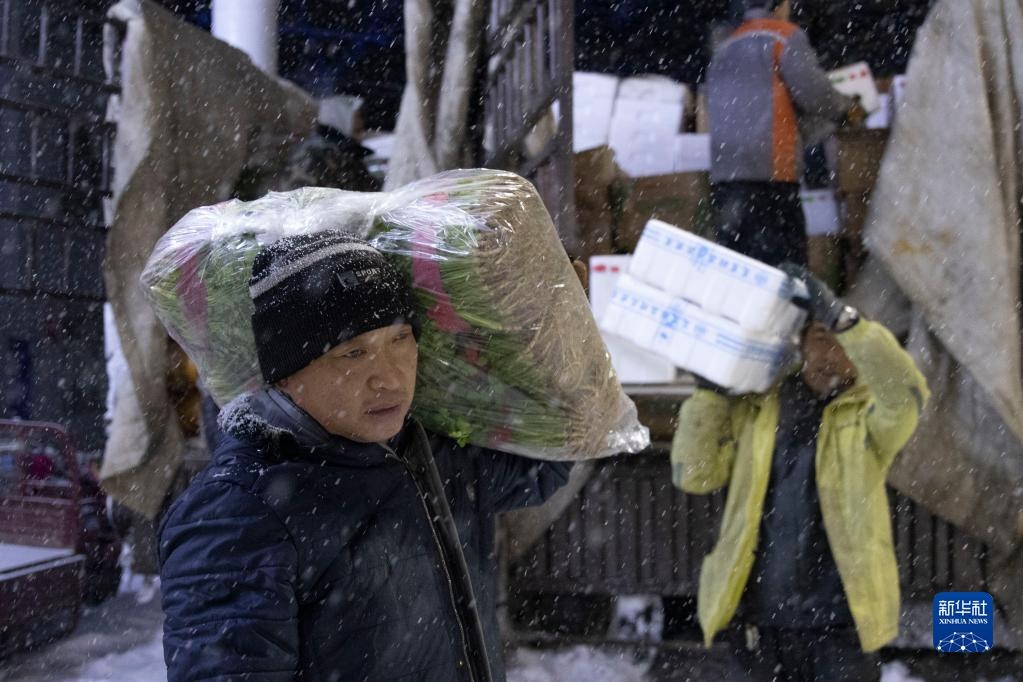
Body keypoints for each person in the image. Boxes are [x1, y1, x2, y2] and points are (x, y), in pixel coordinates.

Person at [158, 231, 573, 681]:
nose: (390, 378)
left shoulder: (422, 454)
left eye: (400, 339)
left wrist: (560, 333)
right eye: (353, 353)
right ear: (286, 375)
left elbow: (545, 462)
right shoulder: (235, 514)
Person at [670, 265, 929, 681]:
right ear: (801, 342)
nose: (833, 351)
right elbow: (694, 476)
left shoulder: (869, 417)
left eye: (846, 343)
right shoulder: (757, 406)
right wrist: (707, 396)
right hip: (758, 620)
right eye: (822, 336)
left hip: (841, 624)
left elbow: (906, 392)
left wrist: (847, 322)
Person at [706, 0, 861, 266]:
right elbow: (815, 94)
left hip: (726, 173)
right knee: (784, 267)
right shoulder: (784, 37)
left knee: (738, 266)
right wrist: (848, 110)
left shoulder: (724, 49)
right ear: (779, 5)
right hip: (771, 170)